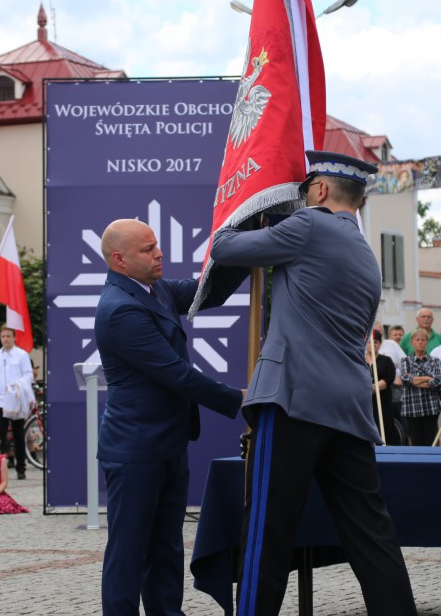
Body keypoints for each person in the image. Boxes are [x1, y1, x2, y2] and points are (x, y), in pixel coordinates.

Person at [211, 151, 416, 615]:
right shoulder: (365, 252)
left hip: (293, 400)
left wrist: (242, 206)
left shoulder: (308, 228)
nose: (302, 199)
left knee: (268, 531)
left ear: (320, 191)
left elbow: (224, 247)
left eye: (305, 190)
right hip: (348, 407)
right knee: (371, 536)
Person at [96, 218, 244, 616]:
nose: (159, 253)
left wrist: (246, 248)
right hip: (135, 451)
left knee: (165, 547)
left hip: (167, 443)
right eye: (147, 249)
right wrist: (241, 401)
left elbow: (207, 293)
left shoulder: (154, 289)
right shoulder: (120, 310)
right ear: (119, 259)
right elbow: (176, 375)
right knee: (129, 552)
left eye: (156, 245)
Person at [0, 325, 33, 480]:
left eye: (8, 336)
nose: (6, 339)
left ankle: (21, 467)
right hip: (0, 401)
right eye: (3, 336)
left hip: (16, 399)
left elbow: (29, 375)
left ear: (14, 337)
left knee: (18, 434)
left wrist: (18, 384)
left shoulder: (21, 355)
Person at [399, 328, 441, 446]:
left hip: (431, 407)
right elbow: (405, 379)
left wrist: (414, 379)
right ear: (412, 342)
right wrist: (427, 378)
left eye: (423, 340)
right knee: (415, 442)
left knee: (430, 442)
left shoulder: (435, 361)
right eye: (417, 339)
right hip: (412, 407)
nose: (420, 342)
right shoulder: (405, 361)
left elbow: (438, 382)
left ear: (427, 342)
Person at [366, 330, 397, 445]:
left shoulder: (386, 361)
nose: (373, 345)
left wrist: (373, 388)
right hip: (365, 401)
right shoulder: (360, 359)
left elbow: (389, 378)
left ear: (379, 344)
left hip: (382, 400)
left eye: (376, 342)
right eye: (370, 342)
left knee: (384, 425)